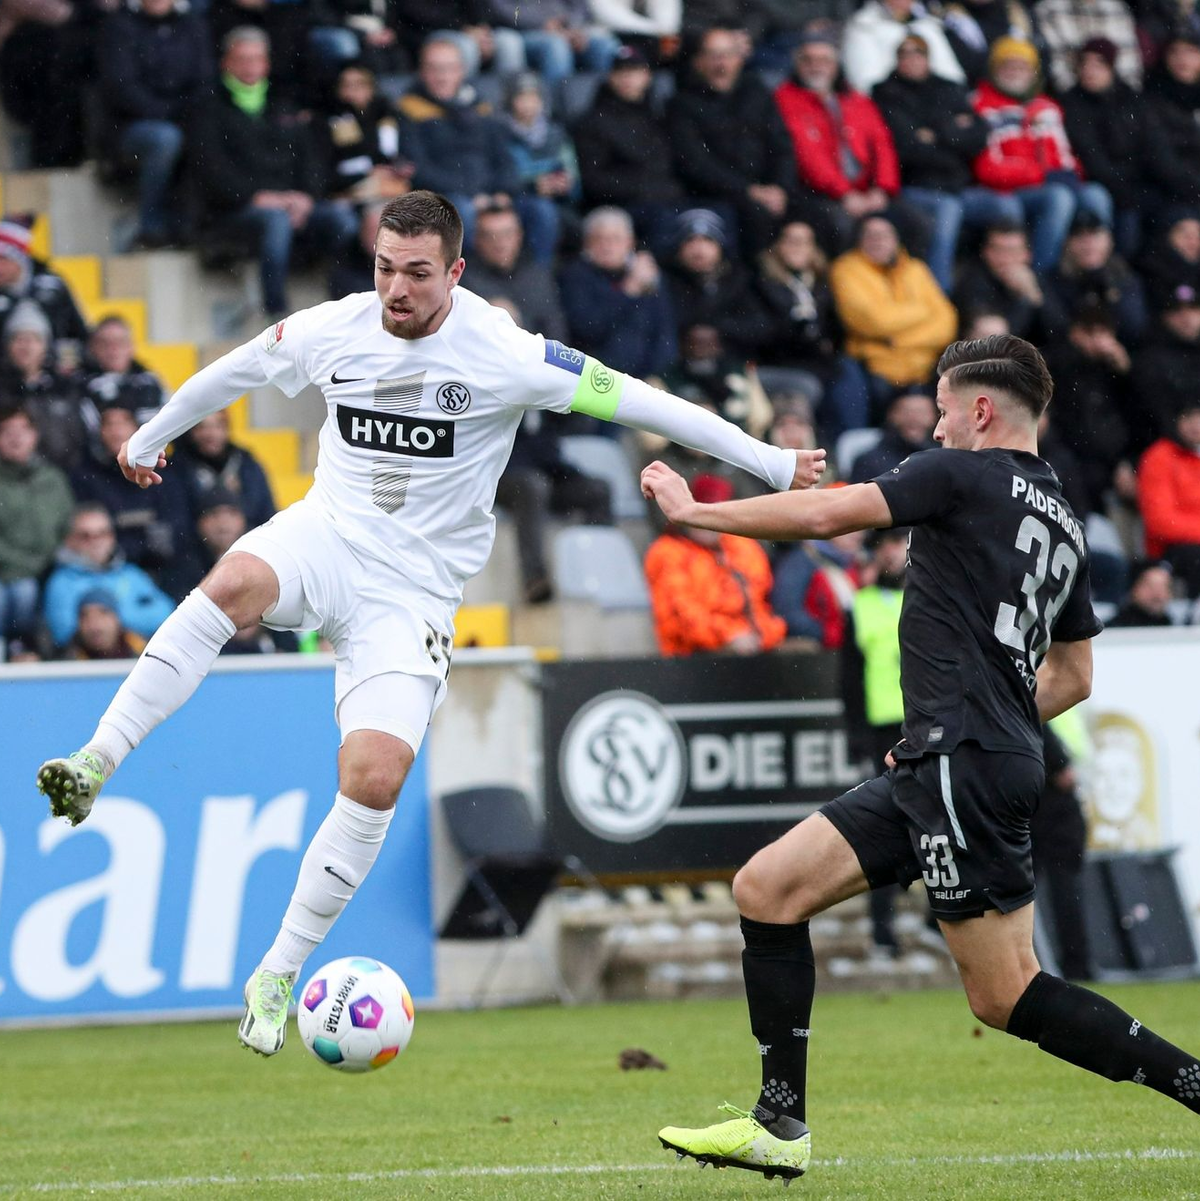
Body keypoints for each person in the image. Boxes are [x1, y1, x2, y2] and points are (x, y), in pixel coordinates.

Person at [35, 190, 824, 1058]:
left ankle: (277, 971)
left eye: (416, 273)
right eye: (384, 268)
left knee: (374, 777)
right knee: (232, 581)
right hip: (327, 536)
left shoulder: (506, 352)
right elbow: (240, 368)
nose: (396, 289)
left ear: (454, 272)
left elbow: (641, 401)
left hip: (412, 594)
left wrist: (768, 459)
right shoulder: (335, 326)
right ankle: (96, 758)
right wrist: (154, 434)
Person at [642, 332, 1200, 1180]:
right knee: (767, 888)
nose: (935, 430)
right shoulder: (1064, 518)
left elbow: (826, 513)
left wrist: (696, 515)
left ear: (980, 409)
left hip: (961, 762)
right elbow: (1076, 675)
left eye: (942, 412)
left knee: (1006, 993)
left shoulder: (961, 474)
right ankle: (778, 1122)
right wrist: (987, 722)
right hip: (949, 759)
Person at [191, 27, 358, 318]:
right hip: (235, 210)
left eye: (256, 59)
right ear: (226, 63)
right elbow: (212, 170)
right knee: (275, 221)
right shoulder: (208, 108)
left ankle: (346, 305)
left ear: (266, 64)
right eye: (242, 59)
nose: (250, 66)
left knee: (342, 220)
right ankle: (276, 312)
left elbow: (311, 160)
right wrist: (255, 197)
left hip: (291, 203)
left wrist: (306, 197)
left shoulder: (284, 104)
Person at [873, 32, 1018, 291]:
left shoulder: (948, 88)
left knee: (1006, 205)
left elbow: (979, 136)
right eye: (904, 54)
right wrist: (953, 130)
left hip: (957, 186)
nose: (911, 59)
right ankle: (941, 293)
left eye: (918, 53)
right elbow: (907, 148)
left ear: (928, 58)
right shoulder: (886, 93)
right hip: (915, 187)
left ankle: (1009, 283)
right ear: (896, 60)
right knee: (948, 210)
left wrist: (935, 132)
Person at [970, 38, 1112, 273]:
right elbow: (988, 169)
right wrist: (1040, 175)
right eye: (1008, 65)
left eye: (1022, 67)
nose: (1015, 72)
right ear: (994, 69)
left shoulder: (1047, 107)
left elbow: (1064, 155)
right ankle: (1044, 273)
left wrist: (1070, 173)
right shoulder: (982, 106)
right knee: (1058, 198)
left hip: (1047, 184)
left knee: (1096, 195)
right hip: (1008, 190)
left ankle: (1097, 270)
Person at [666, 25, 800, 252]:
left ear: (739, 59)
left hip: (770, 189)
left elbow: (781, 145)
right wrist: (749, 190)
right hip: (721, 194)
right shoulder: (682, 104)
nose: (721, 64)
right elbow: (696, 164)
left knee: (816, 215)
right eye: (713, 55)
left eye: (728, 55)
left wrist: (781, 188)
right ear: (697, 62)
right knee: (756, 217)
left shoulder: (756, 92)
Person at [97, 0, 212, 248]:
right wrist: (169, 113)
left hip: (183, 119)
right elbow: (121, 87)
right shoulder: (120, 26)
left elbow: (204, 81)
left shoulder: (193, 25)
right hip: (131, 125)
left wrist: (185, 114)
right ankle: (152, 225)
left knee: (211, 133)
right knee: (165, 138)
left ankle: (195, 224)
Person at [396, 37, 520, 253]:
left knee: (539, 210)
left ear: (461, 71)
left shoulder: (480, 107)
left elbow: (504, 157)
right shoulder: (409, 111)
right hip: (446, 197)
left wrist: (503, 190)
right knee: (461, 213)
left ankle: (533, 273)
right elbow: (419, 170)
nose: (442, 76)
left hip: (490, 192)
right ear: (422, 72)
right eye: (434, 69)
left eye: (449, 68)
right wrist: (471, 194)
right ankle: (465, 272)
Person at [645, 472, 788, 657]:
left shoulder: (742, 546)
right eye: (703, 512)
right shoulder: (667, 552)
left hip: (750, 648)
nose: (708, 524)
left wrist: (760, 635)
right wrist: (729, 636)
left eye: (715, 514)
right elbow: (682, 617)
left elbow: (759, 604)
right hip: (693, 657)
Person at [828, 214, 957, 417]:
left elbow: (947, 323)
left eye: (884, 235)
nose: (878, 241)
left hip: (924, 371)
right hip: (875, 371)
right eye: (871, 235)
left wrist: (897, 341)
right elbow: (872, 321)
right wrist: (922, 311)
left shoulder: (916, 269)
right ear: (859, 240)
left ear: (896, 239)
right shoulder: (846, 269)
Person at [574, 43, 688, 253]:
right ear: (610, 77)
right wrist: (647, 190)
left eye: (634, 71)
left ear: (647, 76)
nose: (627, 78)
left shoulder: (660, 115)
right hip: (621, 205)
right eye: (621, 71)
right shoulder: (593, 121)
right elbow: (594, 181)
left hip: (666, 198)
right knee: (663, 219)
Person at [494, 408, 614, 603]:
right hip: (504, 477)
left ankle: (599, 571)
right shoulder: (504, 400)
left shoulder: (547, 402)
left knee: (598, 491)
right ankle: (534, 579)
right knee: (533, 486)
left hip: (548, 473)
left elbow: (577, 424)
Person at [557, 206, 676, 392]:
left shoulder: (648, 277)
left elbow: (665, 337)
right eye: (599, 239)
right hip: (596, 381)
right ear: (586, 244)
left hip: (647, 380)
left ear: (630, 243)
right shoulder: (574, 276)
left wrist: (654, 374)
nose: (607, 246)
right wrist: (627, 292)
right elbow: (587, 329)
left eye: (615, 239)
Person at [42, 502, 175, 650]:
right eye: (86, 536)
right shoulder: (61, 581)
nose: (96, 542)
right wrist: (130, 619)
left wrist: (110, 617)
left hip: (136, 656)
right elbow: (64, 632)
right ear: (71, 540)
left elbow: (166, 615)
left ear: (112, 537)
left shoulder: (132, 574)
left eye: (102, 533)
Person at [0, 406, 73, 656]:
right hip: (8, 573)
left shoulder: (53, 478)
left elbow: (68, 526)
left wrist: (54, 559)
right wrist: (30, 565)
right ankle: (17, 646)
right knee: (22, 591)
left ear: (35, 435)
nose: (15, 437)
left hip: (54, 568)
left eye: (22, 430)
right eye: (6, 431)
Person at [499, 73, 579, 265]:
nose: (528, 104)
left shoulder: (556, 134)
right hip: (518, 201)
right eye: (522, 97)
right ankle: (539, 271)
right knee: (543, 213)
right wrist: (533, 186)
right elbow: (499, 178)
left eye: (534, 97)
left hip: (558, 202)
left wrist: (565, 185)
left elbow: (574, 178)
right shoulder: (498, 133)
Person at [0, 300, 87, 471]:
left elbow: (77, 439)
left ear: (45, 346)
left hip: (60, 476)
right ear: (8, 345)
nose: (26, 346)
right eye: (19, 339)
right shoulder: (3, 388)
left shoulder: (64, 389)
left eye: (34, 339)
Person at [462, 203, 568, 341]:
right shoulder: (463, 281)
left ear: (519, 235)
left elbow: (556, 331)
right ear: (476, 240)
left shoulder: (537, 276)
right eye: (489, 236)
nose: (499, 243)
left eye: (506, 234)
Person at [1138, 399, 1200, 598]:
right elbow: (1160, 522)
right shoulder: (1159, 457)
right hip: (1168, 552)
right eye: (1189, 417)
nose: (1196, 425)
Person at [841, 0, 965, 95]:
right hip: (891, 106)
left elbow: (953, 75)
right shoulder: (863, 26)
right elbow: (865, 84)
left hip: (937, 102)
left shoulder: (928, 25)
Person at [80, 316, 167, 438]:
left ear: (131, 346)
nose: (113, 349)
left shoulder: (150, 383)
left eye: (120, 342)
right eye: (105, 343)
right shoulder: (79, 385)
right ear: (93, 347)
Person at [1030, 0, 1140, 94]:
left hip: (1116, 97)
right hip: (1069, 97)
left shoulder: (1116, 9)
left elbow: (1129, 69)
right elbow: (1056, 69)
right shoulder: (1049, 9)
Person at [848, 389, 937, 481]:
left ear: (935, 416)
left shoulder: (940, 456)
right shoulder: (869, 461)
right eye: (906, 412)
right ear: (891, 415)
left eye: (921, 412)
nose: (914, 419)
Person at [63, 588, 148, 661]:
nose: (94, 625)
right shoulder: (66, 663)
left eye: (103, 613)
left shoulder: (144, 650)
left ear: (117, 618)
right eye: (85, 616)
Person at [1106, 559, 1174, 627]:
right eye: (1150, 586)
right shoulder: (1114, 628)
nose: (1157, 594)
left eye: (1164, 587)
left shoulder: (1173, 626)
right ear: (1133, 588)